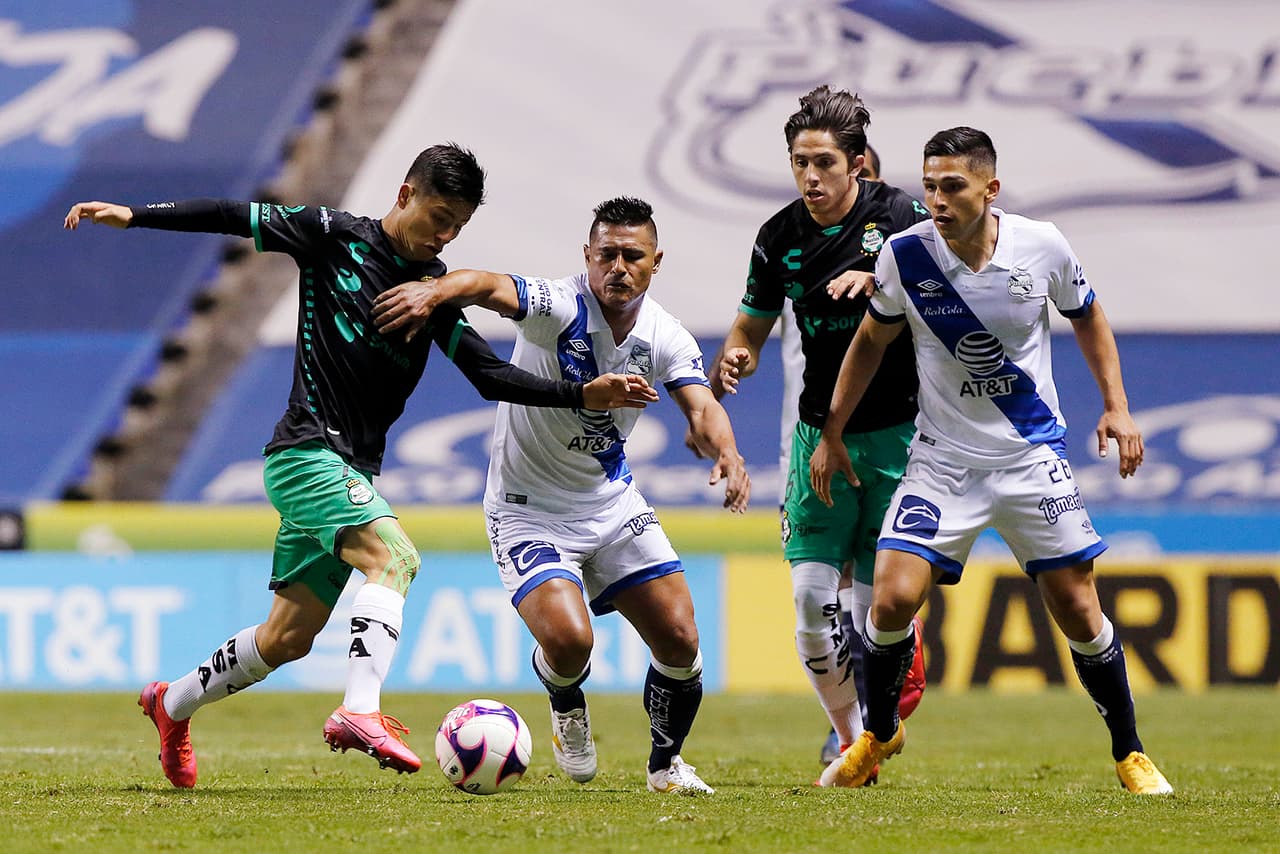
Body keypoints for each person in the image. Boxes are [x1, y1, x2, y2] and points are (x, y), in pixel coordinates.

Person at [62, 144, 658, 789]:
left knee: (286, 638)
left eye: (458, 223)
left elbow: (489, 376)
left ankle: (170, 705)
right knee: (394, 558)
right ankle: (360, 710)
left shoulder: (432, 295)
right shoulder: (333, 236)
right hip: (305, 453)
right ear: (405, 192)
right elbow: (237, 214)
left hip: (350, 470)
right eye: (438, 215)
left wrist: (582, 392)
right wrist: (134, 214)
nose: (445, 233)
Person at [810, 127, 1173, 794]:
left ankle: (1130, 751)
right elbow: (869, 342)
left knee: (1077, 608)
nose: (938, 200)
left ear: (990, 189)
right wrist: (832, 430)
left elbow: (1088, 317)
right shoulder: (904, 256)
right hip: (944, 460)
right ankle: (879, 733)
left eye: (952, 186)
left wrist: (1117, 406)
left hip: (1030, 456)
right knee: (889, 600)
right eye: (930, 186)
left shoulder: (1044, 246)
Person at [372, 196, 750, 794]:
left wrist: (726, 450)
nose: (618, 268)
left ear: (656, 262)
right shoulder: (559, 305)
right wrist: (435, 292)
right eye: (607, 255)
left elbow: (701, 406)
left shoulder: (665, 335)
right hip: (529, 511)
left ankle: (665, 766)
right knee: (571, 641)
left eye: (632, 256)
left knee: (680, 640)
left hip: (611, 503)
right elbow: (488, 285)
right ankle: (565, 700)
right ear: (587, 256)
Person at [708, 87, 926, 776]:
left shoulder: (901, 217)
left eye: (824, 162)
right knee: (809, 598)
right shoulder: (777, 237)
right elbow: (751, 325)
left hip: (899, 435)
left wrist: (882, 278)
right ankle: (850, 733)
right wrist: (739, 353)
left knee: (874, 612)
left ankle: (869, 724)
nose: (810, 176)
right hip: (816, 439)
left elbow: (953, 284)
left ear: (857, 163)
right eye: (799, 162)